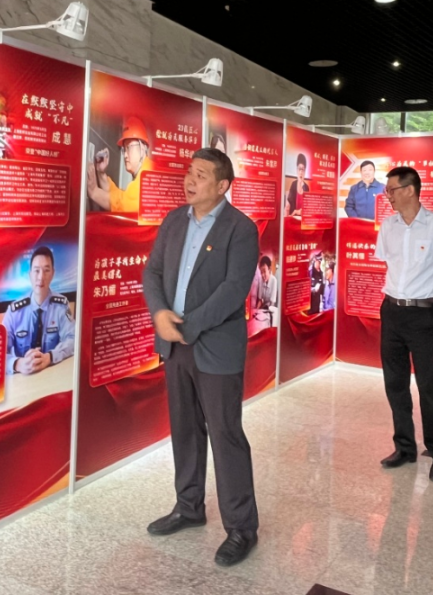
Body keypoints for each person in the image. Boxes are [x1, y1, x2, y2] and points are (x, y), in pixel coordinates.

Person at [141, 147, 260, 567]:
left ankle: (242, 528)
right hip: (174, 345)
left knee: (226, 435)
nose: (190, 180)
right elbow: (153, 272)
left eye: (201, 174)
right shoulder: (174, 220)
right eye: (189, 171)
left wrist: (187, 326)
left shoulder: (240, 229)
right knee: (185, 429)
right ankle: (189, 506)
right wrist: (159, 313)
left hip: (214, 347)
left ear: (222, 185)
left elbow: (233, 290)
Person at [374, 166, 433, 482]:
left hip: (422, 314)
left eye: (392, 190)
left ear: (410, 189)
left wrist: (431, 287)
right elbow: (389, 262)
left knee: (427, 385)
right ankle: (404, 447)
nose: (388, 196)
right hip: (391, 310)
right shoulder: (389, 226)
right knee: (395, 383)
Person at [3, 247, 75, 375]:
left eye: (46, 270)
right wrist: (17, 364)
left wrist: (50, 357)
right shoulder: (15, 311)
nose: (41, 277)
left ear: (52, 274)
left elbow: (73, 339)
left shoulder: (61, 306)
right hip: (22, 379)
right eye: (36, 271)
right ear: (30, 274)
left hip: (52, 374)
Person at [87, 116, 151, 212]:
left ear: (143, 148)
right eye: (124, 149)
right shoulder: (145, 171)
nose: (125, 155)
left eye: (129, 147)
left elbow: (122, 204)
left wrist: (94, 191)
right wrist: (101, 174)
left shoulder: (147, 175)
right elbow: (121, 197)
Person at [250, 256, 278, 331]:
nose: (262, 275)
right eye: (261, 272)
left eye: (264, 271)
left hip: (271, 310)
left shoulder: (274, 281)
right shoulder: (260, 280)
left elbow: (272, 303)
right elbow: (260, 300)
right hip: (263, 309)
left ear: (269, 269)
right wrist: (256, 311)